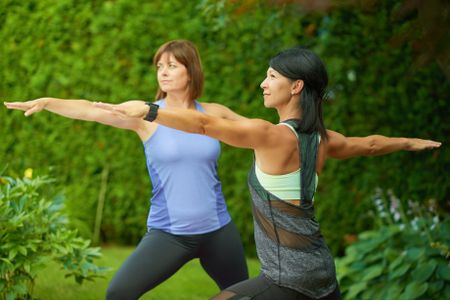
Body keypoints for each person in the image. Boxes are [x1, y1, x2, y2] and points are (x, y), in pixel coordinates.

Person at [93, 46, 442, 300]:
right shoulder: (321, 138)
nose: (263, 83)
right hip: (322, 269)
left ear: (296, 87)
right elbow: (370, 145)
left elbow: (202, 124)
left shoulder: (271, 135)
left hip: (289, 278)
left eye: (272, 77)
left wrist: (150, 111)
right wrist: (410, 142)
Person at [4, 40, 249, 299]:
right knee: (119, 294)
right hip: (170, 234)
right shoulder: (146, 115)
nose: (162, 72)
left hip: (218, 229)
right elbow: (91, 110)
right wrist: (49, 101)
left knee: (243, 295)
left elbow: (262, 133)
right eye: (159, 66)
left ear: (191, 72)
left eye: (172, 66)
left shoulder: (213, 113)